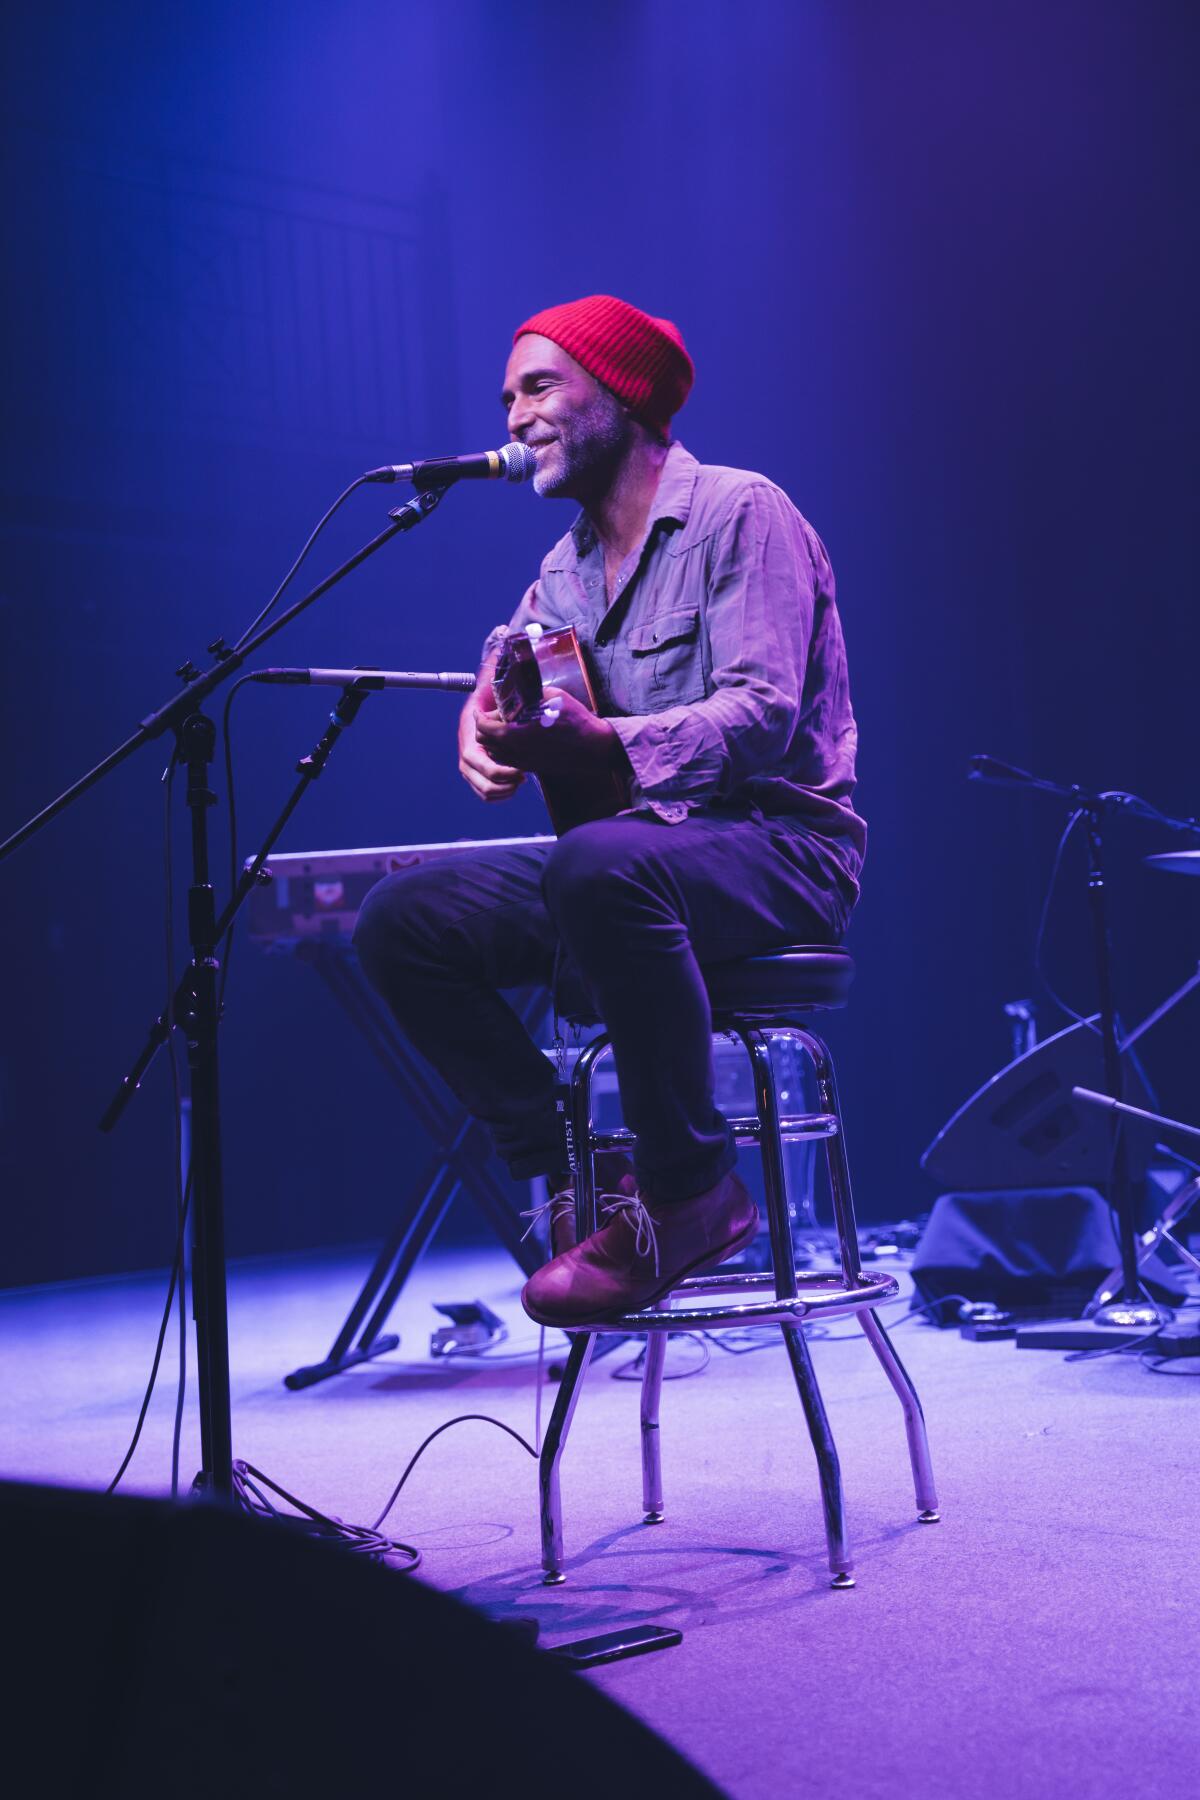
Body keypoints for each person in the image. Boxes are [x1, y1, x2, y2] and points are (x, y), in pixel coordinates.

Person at [353, 293, 865, 1328]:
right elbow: (514, 664)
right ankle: (584, 1184)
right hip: (635, 870)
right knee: (401, 923)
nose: (514, 416)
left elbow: (762, 717)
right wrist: (478, 716)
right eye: (507, 397)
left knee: (597, 862)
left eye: (540, 387)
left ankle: (691, 1193)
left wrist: (605, 746)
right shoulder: (565, 566)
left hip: (781, 848)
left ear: (622, 392)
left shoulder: (738, 510)